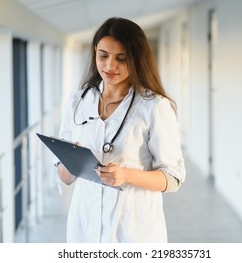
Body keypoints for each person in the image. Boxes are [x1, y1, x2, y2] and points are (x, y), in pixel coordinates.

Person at [54, 17, 186, 243]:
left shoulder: (154, 106)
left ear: (136, 59)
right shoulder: (77, 102)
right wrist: (71, 163)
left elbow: (173, 178)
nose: (109, 66)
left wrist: (126, 175)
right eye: (103, 55)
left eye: (121, 58)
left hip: (133, 232)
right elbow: (64, 176)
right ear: (95, 51)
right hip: (84, 228)